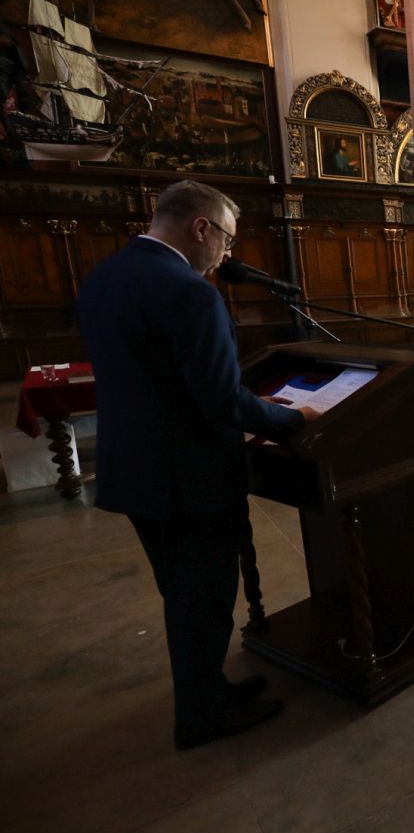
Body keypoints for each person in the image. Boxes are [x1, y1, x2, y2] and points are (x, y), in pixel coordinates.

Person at [76, 181, 317, 751]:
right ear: (201, 227)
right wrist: (292, 418)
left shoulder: (105, 276)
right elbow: (221, 400)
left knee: (182, 592)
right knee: (203, 598)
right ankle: (202, 714)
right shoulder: (189, 291)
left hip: (135, 469)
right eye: (227, 239)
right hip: (189, 475)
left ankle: (206, 688)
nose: (227, 253)